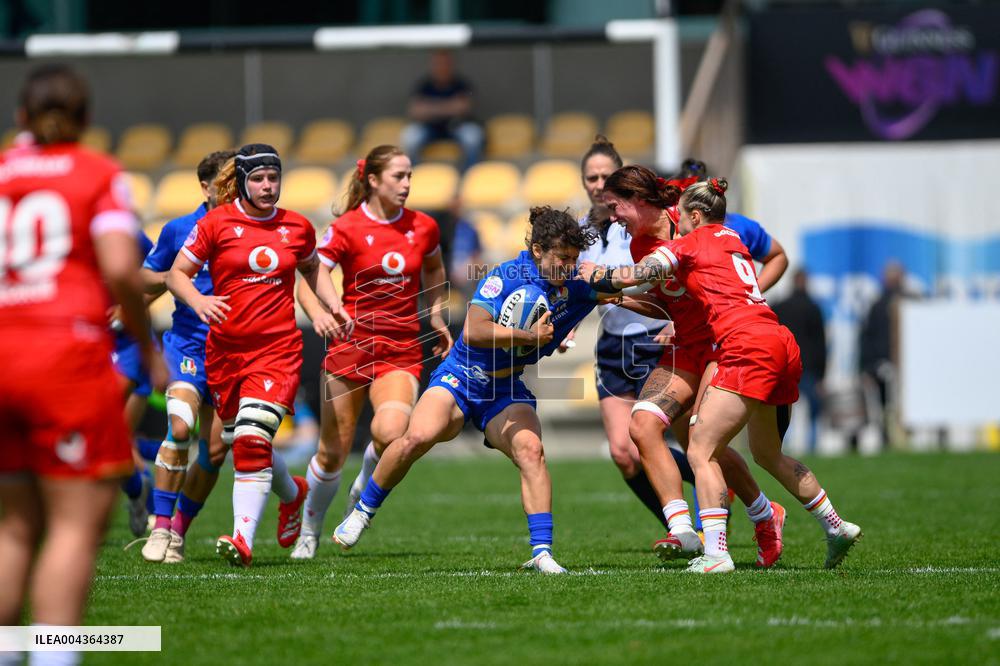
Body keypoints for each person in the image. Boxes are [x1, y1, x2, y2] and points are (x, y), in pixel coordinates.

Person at [582, 176, 862, 573]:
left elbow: (633, 274)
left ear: (692, 215)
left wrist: (589, 275)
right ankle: (830, 525)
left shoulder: (689, 239)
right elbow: (662, 292)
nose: (613, 217)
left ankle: (718, 552)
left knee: (700, 448)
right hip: (768, 338)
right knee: (760, 452)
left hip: (733, 344)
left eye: (615, 206)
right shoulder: (728, 237)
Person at [332, 207, 619, 574]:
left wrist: (654, 271)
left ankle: (542, 553)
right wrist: (528, 336)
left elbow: (622, 285)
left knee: (531, 451)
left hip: (505, 388)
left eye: (574, 259)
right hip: (462, 377)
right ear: (538, 251)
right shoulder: (505, 276)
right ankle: (362, 511)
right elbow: (474, 331)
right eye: (562, 257)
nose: (568, 266)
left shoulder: (574, 285)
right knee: (417, 437)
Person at [0, 64, 167, 662]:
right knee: (72, 528)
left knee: (13, 527)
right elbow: (121, 267)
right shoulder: (97, 172)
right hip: (64, 356)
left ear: (21, 116)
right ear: (86, 119)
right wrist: (148, 347)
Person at [166, 143, 350, 568]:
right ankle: (293, 493)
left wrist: (333, 303)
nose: (268, 186)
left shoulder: (297, 226)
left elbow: (312, 269)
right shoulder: (215, 223)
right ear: (242, 182)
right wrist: (198, 300)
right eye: (259, 179)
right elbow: (177, 275)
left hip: (277, 351)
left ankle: (242, 539)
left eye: (274, 178)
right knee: (242, 441)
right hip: (225, 354)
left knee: (251, 437)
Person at [291, 144, 451, 560]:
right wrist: (325, 312)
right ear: (374, 180)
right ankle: (309, 532)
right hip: (351, 345)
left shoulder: (424, 227)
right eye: (399, 176)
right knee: (332, 451)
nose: (407, 183)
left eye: (410, 175)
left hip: (401, 348)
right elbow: (312, 277)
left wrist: (435, 313)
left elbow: (434, 268)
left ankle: (361, 492)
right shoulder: (346, 228)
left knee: (391, 432)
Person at [570, 136, 686, 531]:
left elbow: (673, 272)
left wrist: (677, 319)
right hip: (613, 345)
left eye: (606, 176)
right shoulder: (580, 232)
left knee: (685, 442)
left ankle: (723, 492)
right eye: (591, 177)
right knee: (623, 452)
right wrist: (565, 325)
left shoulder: (639, 220)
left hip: (657, 338)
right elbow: (579, 287)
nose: (598, 184)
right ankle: (677, 527)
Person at [137, 149, 235, 563]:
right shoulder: (179, 229)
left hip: (233, 353)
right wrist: (174, 278)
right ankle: (159, 527)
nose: (233, 190)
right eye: (225, 183)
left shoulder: (251, 229)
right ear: (205, 187)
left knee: (215, 452)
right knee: (180, 428)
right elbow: (145, 277)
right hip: (188, 346)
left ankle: (178, 531)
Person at [773, 268, 827, 452]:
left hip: (784, 364)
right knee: (813, 409)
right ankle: (812, 443)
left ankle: (782, 443)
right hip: (808, 366)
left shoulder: (779, 306)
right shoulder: (813, 308)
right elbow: (820, 343)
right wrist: (821, 374)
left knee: (782, 406)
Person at [401, 50, 484, 170]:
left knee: (473, 135)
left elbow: (463, 108)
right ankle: (415, 175)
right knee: (410, 136)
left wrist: (430, 107)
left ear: (451, 65)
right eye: (438, 63)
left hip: (456, 126)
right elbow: (415, 111)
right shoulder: (424, 85)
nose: (442, 67)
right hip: (429, 127)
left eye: (445, 63)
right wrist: (450, 106)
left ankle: (469, 175)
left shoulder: (461, 84)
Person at [858, 260, 905, 450]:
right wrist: (868, 367)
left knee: (894, 404)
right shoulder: (878, 305)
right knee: (886, 405)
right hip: (884, 364)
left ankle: (896, 436)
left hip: (900, 365)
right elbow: (869, 337)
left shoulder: (909, 302)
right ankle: (889, 437)